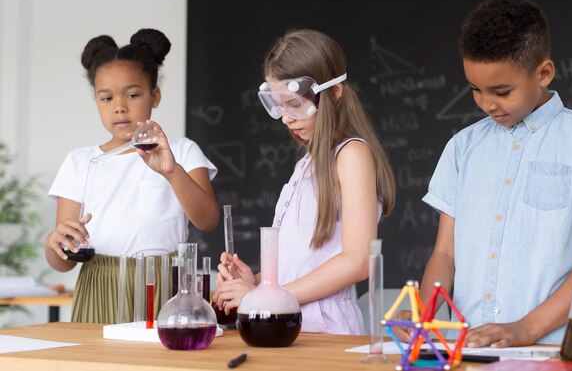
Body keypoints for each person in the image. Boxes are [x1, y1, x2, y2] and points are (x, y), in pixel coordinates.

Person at [394, 0, 572, 347]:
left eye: (502, 91)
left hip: (558, 348)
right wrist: (422, 314)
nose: (487, 104)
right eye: (475, 90)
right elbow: (445, 253)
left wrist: (526, 329)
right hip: (474, 348)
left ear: (544, 73)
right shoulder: (462, 148)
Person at [213, 29, 396, 334]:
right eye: (279, 105)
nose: (287, 118)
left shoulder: (351, 154)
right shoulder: (305, 165)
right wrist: (256, 283)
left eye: (295, 104)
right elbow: (303, 263)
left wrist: (266, 298)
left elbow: (358, 260)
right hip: (289, 324)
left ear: (334, 93)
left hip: (327, 330)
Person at [44, 28, 220, 323]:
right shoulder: (79, 162)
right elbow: (62, 262)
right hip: (99, 286)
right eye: (106, 98)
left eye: (133, 94)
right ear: (96, 102)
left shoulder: (182, 152)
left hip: (166, 288)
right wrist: (55, 243)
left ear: (156, 95)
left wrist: (172, 171)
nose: (120, 106)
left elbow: (208, 220)